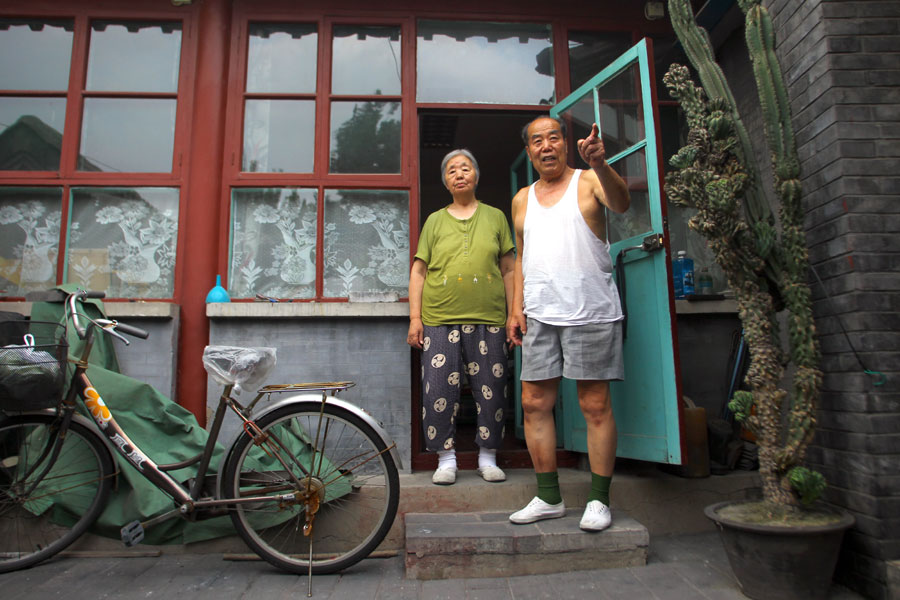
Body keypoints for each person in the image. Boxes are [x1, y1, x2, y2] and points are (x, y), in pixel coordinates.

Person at [507, 116, 630, 531]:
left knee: (594, 405)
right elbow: (522, 256)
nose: (546, 146)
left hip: (590, 310)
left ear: (565, 144)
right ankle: (548, 496)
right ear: (529, 152)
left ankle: (598, 500)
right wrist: (516, 308)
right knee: (533, 404)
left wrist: (600, 163)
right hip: (540, 313)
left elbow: (622, 202)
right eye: (537, 141)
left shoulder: (588, 181)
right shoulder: (522, 198)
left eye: (553, 138)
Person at [408, 149, 516, 485]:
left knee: (492, 388)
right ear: (445, 181)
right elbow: (419, 271)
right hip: (439, 318)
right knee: (438, 389)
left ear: (476, 175)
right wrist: (415, 318)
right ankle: (446, 459)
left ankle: (487, 456)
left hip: (489, 318)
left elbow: (510, 268)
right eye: (452, 170)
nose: (459, 174)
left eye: (465, 168)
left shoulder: (496, 217)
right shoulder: (435, 221)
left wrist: (515, 313)